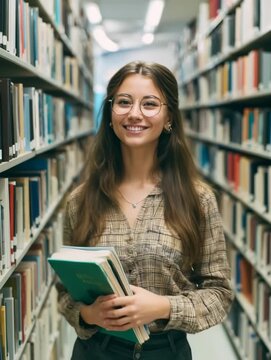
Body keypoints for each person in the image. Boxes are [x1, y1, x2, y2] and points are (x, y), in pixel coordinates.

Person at [56, 61, 233, 360]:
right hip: (95, 351)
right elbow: (64, 292)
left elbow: (219, 294)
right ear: (110, 114)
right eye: (124, 102)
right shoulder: (80, 200)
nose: (135, 113)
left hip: (166, 352)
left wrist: (163, 307)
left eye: (149, 104)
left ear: (168, 119)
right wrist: (88, 314)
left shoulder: (197, 200)